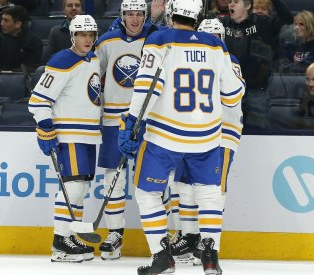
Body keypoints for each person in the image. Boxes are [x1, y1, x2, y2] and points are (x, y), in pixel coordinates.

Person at [118, 0, 244, 273]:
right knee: (209, 195)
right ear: (197, 16)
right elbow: (233, 97)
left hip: (165, 135)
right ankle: (210, 257)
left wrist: (130, 123)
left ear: (171, 12)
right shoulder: (215, 44)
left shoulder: (159, 39)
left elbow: (147, 86)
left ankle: (162, 257)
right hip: (207, 136)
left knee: (147, 192)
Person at [169, 17, 245, 264]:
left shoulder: (229, 62)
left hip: (222, 133)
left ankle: (208, 244)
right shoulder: (191, 60)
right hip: (194, 132)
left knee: (213, 189)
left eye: (216, 38)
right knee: (185, 185)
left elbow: (232, 96)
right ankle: (190, 237)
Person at [28, 14, 101, 263]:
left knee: (80, 188)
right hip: (70, 134)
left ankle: (72, 235)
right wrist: (46, 127)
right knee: (72, 187)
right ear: (73, 36)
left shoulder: (93, 59)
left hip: (89, 135)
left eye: (91, 35)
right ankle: (61, 242)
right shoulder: (62, 60)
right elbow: (38, 100)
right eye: (82, 35)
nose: (87, 39)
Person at [94, 0, 158, 261]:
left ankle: (160, 236)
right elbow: (94, 78)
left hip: (148, 119)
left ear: (145, 16)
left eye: (139, 14)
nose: (134, 19)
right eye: (130, 14)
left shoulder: (156, 41)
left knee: (155, 178)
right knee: (113, 178)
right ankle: (115, 233)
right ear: (122, 16)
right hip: (113, 119)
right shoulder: (107, 41)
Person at [220, 0, 293, 129]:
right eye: (230, 1)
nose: (231, 4)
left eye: (236, 2)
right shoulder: (222, 24)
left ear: (248, 6)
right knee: (228, 134)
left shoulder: (261, 23)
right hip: (229, 92)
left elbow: (288, 19)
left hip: (256, 92)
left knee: (258, 136)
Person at [0, 5, 42, 72]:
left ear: (18, 24)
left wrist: (14, 72)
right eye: (2, 19)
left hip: (22, 79)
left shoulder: (33, 41)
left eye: (6, 20)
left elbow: (32, 67)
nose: (1, 23)